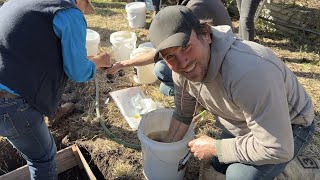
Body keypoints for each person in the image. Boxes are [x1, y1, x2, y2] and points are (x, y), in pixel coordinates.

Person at [149, 5, 315, 179]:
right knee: (217, 163)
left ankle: (300, 169)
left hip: (291, 125)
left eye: (185, 47)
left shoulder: (248, 73)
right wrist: (165, 147)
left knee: (238, 175)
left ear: (205, 34)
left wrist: (215, 147)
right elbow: (183, 114)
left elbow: (277, 147)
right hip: (244, 122)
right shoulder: (179, 71)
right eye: (170, 56)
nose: (182, 62)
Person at [0, 0, 111, 179]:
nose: (82, 11)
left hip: (7, 87)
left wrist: (88, 58)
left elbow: (38, 51)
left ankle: (46, 117)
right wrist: (100, 61)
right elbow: (78, 72)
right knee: (42, 159)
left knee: (27, 141)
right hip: (11, 104)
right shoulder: (68, 12)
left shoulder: (21, 3)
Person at [106, 0, 233, 96]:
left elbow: (166, 52)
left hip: (217, 69)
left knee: (161, 69)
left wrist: (123, 64)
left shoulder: (192, 10)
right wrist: (122, 64)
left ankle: (201, 97)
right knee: (164, 86)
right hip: (216, 52)